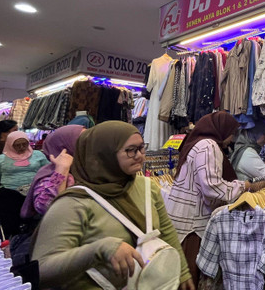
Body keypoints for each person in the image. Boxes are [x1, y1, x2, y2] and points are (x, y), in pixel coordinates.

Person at [31, 121, 194, 290]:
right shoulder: (74, 203)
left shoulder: (146, 187)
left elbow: (166, 231)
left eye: (141, 148)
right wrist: (99, 249)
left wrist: (182, 272)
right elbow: (41, 268)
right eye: (131, 150)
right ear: (104, 154)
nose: (139, 156)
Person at [165, 112, 265, 287]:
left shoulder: (199, 143)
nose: (232, 139)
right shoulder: (208, 146)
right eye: (232, 133)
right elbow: (211, 187)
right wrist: (245, 186)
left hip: (185, 221)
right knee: (189, 279)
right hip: (193, 227)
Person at [21, 125, 84, 219]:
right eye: (83, 141)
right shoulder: (49, 175)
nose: (90, 144)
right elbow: (45, 207)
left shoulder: (90, 169)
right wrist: (62, 170)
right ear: (65, 146)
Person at [0, 131, 49, 201]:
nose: (21, 147)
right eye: (17, 145)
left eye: (24, 144)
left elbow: (48, 172)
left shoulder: (38, 155)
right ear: (10, 144)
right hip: (8, 196)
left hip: (34, 194)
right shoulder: (0, 159)